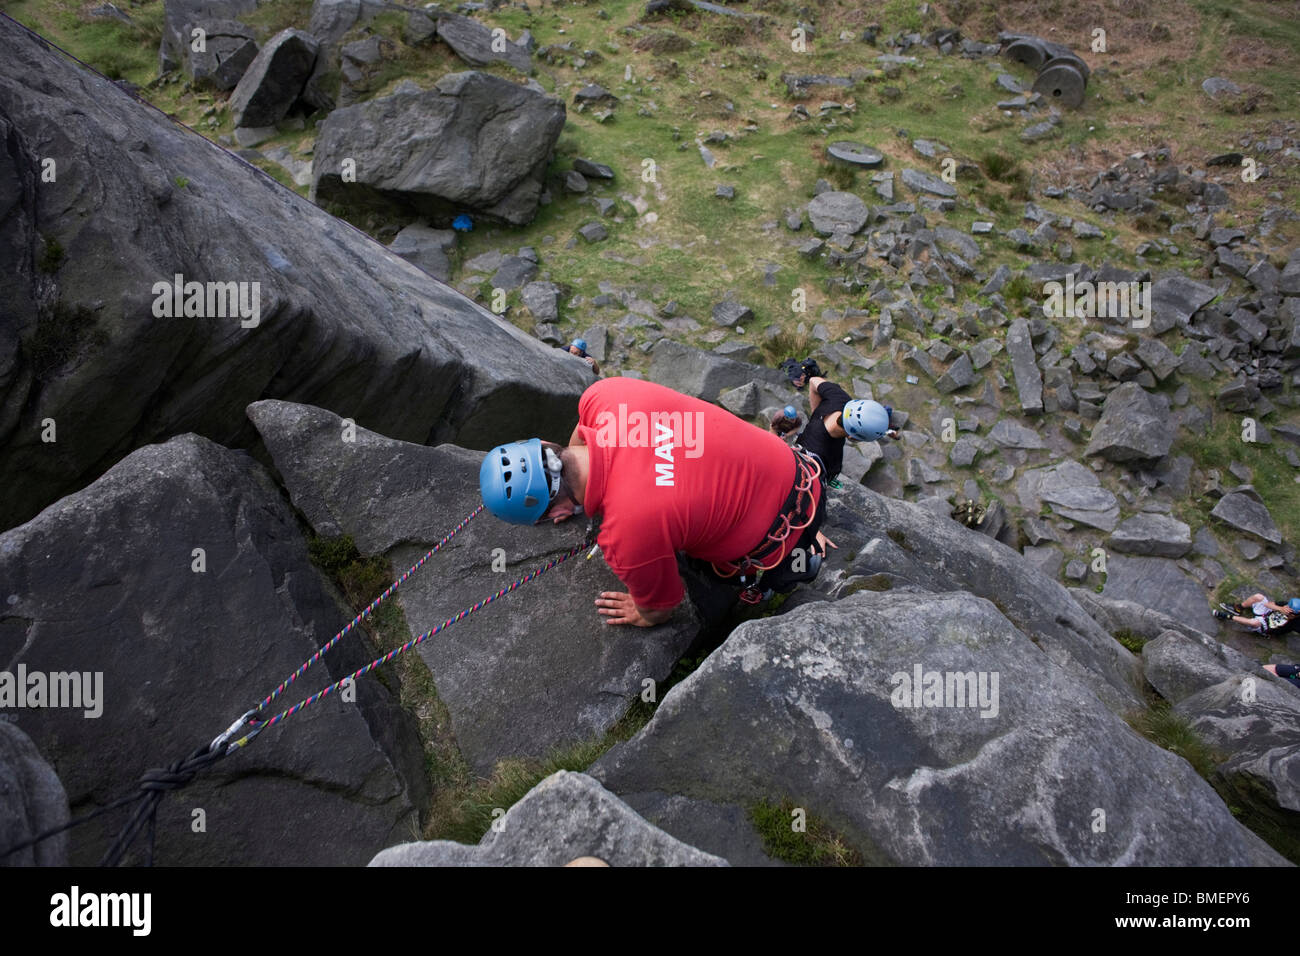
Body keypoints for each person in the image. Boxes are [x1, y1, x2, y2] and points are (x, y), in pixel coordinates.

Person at [478, 379, 833, 625]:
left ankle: (798, 569)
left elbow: (662, 606)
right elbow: (582, 428)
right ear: (544, 445)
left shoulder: (624, 534)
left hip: (778, 538)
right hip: (796, 466)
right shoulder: (604, 395)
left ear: (555, 512)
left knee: (710, 573)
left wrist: (643, 613)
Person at [793, 375, 899, 488]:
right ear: (852, 437)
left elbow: (813, 381)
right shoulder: (818, 453)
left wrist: (816, 412)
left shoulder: (840, 398)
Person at [1213, 595, 1300, 637]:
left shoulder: (1297, 623)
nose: (1288, 613)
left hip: (1265, 626)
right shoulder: (1284, 606)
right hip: (1267, 612)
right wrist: (1280, 608)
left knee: (1254, 622)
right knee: (1259, 597)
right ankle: (1238, 608)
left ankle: (1227, 616)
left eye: (1290, 613)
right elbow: (1268, 604)